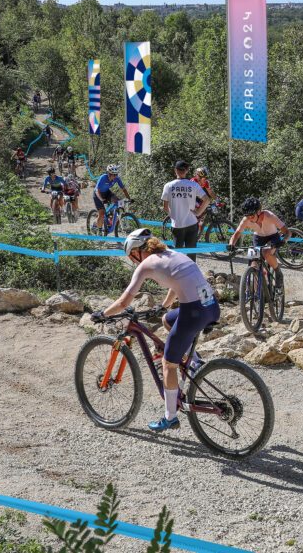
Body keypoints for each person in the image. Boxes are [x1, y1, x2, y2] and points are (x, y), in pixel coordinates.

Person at [92, 229, 220, 432]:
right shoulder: (172, 254)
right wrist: (164, 305)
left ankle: (170, 417)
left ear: (136, 252)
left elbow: (124, 302)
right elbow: (174, 284)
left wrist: (103, 313)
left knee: (168, 364)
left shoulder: (146, 265)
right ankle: (194, 362)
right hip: (211, 307)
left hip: (194, 312)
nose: (134, 261)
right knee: (167, 320)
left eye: (132, 257)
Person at [161, 160, 210, 262]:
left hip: (177, 224)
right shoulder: (193, 185)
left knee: (177, 254)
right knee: (191, 253)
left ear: (175, 170)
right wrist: (198, 213)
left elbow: (165, 207)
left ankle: (178, 276)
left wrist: (173, 215)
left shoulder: (168, 186)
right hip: (192, 223)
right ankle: (192, 275)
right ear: (187, 171)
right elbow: (207, 199)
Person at [228, 197, 289, 275]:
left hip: (273, 237)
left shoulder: (269, 216)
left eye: (252, 216)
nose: (250, 219)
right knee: (254, 264)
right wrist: (231, 244)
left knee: (267, 253)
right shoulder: (245, 220)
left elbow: (287, 232)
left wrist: (284, 240)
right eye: (247, 216)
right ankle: (257, 285)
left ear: (259, 212)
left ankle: (278, 272)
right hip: (258, 238)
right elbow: (236, 234)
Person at [93, 164, 132, 233]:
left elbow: (123, 189)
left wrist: (129, 199)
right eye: (113, 174)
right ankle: (96, 226)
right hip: (98, 195)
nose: (114, 176)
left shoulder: (117, 178)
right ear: (108, 173)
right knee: (101, 214)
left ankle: (112, 218)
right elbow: (97, 190)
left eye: (116, 174)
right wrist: (101, 199)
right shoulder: (103, 178)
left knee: (119, 202)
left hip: (107, 192)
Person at [191, 166, 215, 234]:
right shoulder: (193, 181)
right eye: (202, 177)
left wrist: (217, 200)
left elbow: (210, 192)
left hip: (198, 198)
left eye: (205, 177)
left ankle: (197, 233)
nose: (204, 179)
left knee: (201, 215)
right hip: (191, 198)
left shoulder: (205, 182)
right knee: (197, 211)